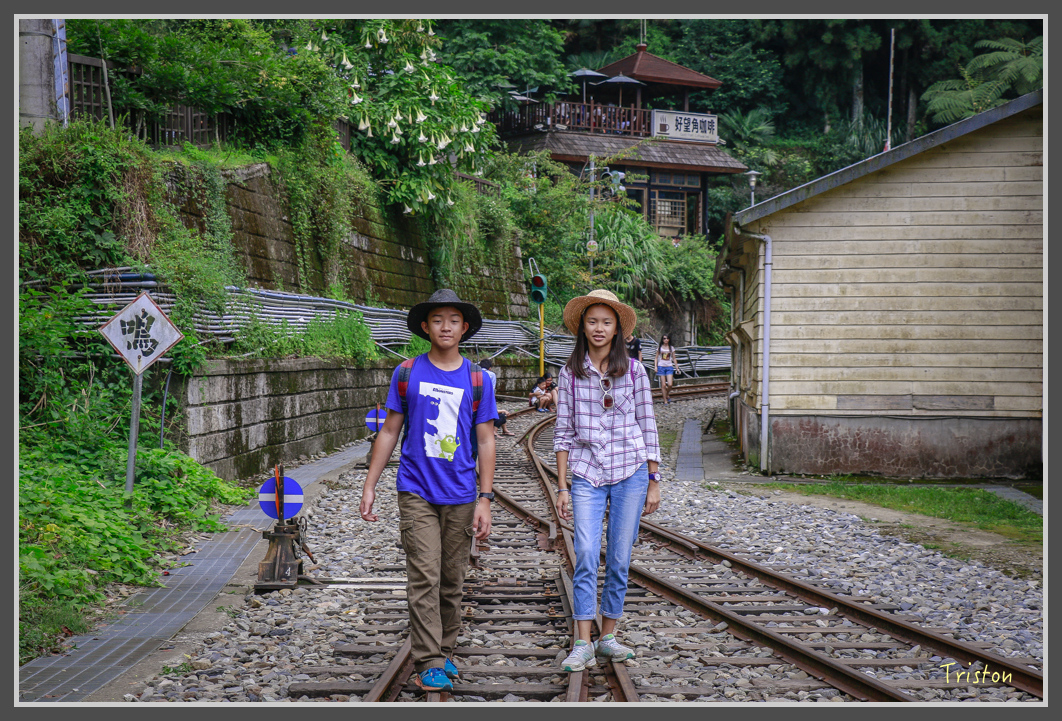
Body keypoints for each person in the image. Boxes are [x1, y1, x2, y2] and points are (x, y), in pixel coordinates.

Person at [359, 289, 498, 692]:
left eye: (454, 320)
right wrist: (371, 484)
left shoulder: (477, 378)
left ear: (465, 328)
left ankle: (445, 650)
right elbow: (389, 430)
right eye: (438, 320)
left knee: (452, 578)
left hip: (461, 492)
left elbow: (486, 440)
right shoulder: (406, 373)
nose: (446, 327)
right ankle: (429, 659)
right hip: (416, 489)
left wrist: (485, 499)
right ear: (425, 327)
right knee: (424, 575)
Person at [553, 289, 661, 672]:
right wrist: (562, 486)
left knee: (618, 557)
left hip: (630, 471)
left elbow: (648, 426)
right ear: (582, 326)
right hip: (586, 472)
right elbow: (563, 432)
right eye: (592, 321)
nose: (599, 328)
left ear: (617, 329)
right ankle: (583, 642)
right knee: (585, 552)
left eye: (606, 322)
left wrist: (653, 478)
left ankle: (608, 636)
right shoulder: (569, 373)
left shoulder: (634, 371)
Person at [480, 358, 514, 436]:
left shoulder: (474, 373)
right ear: (490, 368)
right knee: (501, 416)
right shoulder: (491, 374)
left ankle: (504, 430)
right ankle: (494, 432)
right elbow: (492, 388)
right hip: (487, 399)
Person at [655, 334, 675, 404]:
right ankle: (665, 401)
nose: (666, 340)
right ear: (662, 339)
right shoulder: (660, 348)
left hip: (669, 366)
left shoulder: (671, 348)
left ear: (669, 339)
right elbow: (656, 357)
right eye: (664, 338)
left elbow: (674, 358)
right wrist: (655, 366)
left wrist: (677, 367)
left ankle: (666, 394)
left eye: (667, 338)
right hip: (661, 366)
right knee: (663, 385)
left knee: (670, 384)